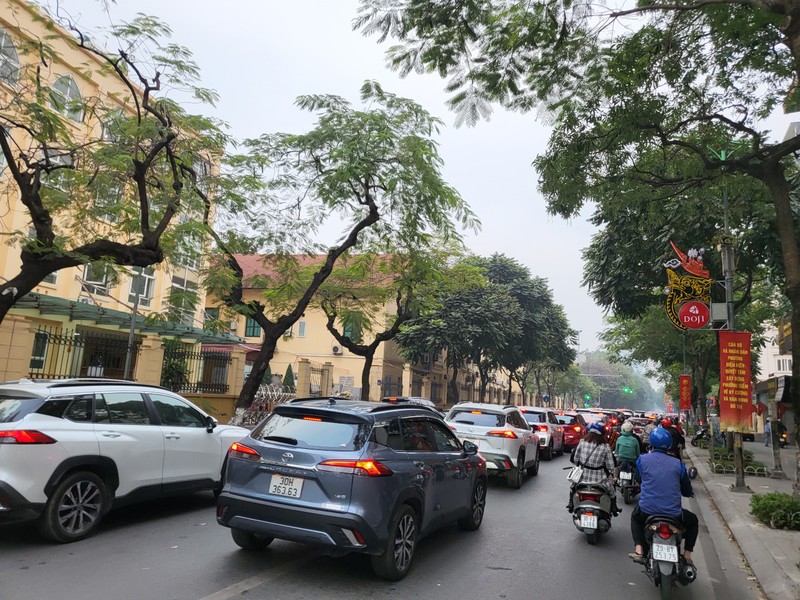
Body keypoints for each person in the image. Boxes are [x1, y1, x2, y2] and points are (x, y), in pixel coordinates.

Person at [628, 428, 698, 566]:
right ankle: (688, 554)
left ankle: (639, 550)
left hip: (647, 510)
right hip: (674, 514)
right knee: (693, 521)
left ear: (651, 443)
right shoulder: (678, 464)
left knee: (635, 518)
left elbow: (639, 479)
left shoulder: (642, 460)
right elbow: (686, 490)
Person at [567, 422, 620, 516]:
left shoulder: (582, 442)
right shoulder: (605, 447)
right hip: (600, 481)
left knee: (572, 487)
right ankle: (614, 508)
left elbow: (575, 459)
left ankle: (571, 504)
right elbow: (610, 467)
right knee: (612, 492)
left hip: (582, 478)